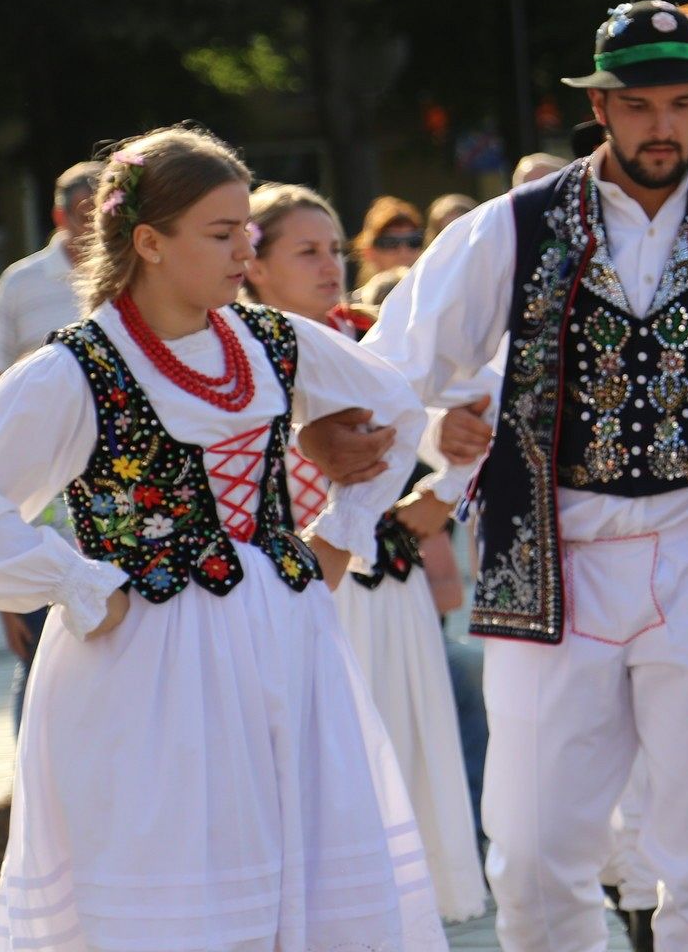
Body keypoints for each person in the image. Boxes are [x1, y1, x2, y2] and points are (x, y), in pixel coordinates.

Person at [328, 0, 688, 951]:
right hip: (553, 555)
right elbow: (400, 359)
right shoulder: (512, 227)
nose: (662, 127)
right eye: (639, 106)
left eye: (681, 104)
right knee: (531, 853)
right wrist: (398, 430)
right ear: (599, 110)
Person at [0, 126, 443, 949]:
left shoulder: (269, 341)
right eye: (221, 234)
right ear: (149, 243)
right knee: (175, 875)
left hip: (288, 639)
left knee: (299, 863)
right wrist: (74, 581)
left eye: (247, 229)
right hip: (147, 659)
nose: (243, 249)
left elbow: (393, 405)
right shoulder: (78, 369)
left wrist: (341, 531)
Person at [244, 182, 489, 922]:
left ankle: (409, 920)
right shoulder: (239, 349)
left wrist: (445, 489)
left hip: (391, 586)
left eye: (333, 249)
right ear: (254, 264)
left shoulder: (371, 337)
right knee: (329, 773)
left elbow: (477, 404)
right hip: (306, 583)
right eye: (305, 252)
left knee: (406, 757)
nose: (329, 267)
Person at [0, 160, 100, 732]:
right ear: (59, 215)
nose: (98, 225)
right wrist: (4, 589)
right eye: (86, 213)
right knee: (38, 657)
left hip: (116, 496)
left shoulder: (139, 279)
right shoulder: (22, 283)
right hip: (42, 502)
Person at [351, 194, 426, 302]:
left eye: (414, 242)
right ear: (369, 252)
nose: (404, 251)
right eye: (391, 243)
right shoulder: (352, 312)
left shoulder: (438, 301)